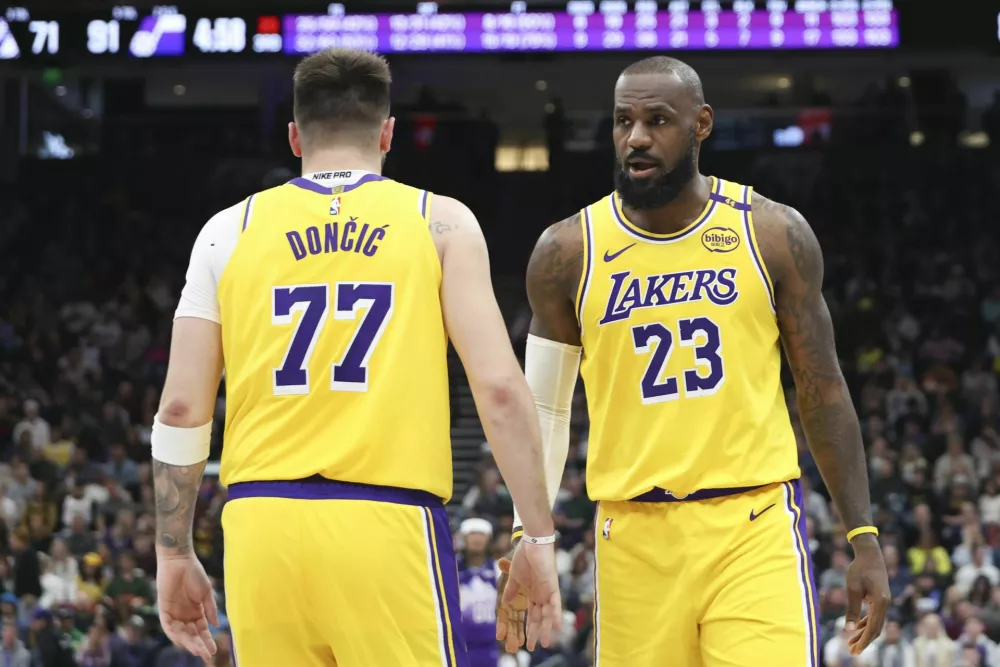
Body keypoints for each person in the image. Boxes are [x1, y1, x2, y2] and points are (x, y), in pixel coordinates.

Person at [151, 47, 560, 666]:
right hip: (387, 521)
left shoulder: (225, 230)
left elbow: (182, 409)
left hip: (263, 527)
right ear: (387, 133)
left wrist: (174, 553)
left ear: (294, 136)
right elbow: (500, 389)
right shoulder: (439, 222)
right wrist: (537, 535)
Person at [496, 55, 891, 666]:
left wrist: (862, 535)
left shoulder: (771, 234)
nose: (637, 138)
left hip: (752, 520)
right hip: (631, 533)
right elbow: (545, 408)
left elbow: (822, 389)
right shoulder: (567, 252)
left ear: (702, 124)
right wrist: (529, 534)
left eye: (658, 120)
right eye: (623, 121)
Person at [457, 518, 501, 667]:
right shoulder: (449, 570)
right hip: (458, 645)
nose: (476, 539)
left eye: (481, 535)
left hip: (489, 646)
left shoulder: (499, 570)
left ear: (489, 539)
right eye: (472, 534)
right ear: (463, 538)